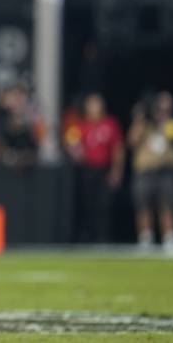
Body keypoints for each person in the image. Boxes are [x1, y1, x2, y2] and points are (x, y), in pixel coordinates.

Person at [65, 93, 124, 243]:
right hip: (87, 170)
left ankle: (103, 237)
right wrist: (75, 152)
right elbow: (71, 142)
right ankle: (88, 236)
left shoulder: (110, 124)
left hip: (104, 169)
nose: (95, 108)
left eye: (97, 104)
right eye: (91, 104)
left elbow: (118, 149)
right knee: (87, 203)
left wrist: (116, 170)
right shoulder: (81, 125)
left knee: (104, 204)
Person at [127, 92, 173, 254]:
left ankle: (169, 238)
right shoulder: (143, 125)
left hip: (165, 171)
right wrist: (139, 119)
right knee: (143, 205)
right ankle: (145, 238)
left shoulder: (171, 124)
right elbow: (132, 141)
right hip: (145, 171)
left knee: (167, 205)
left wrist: (164, 123)